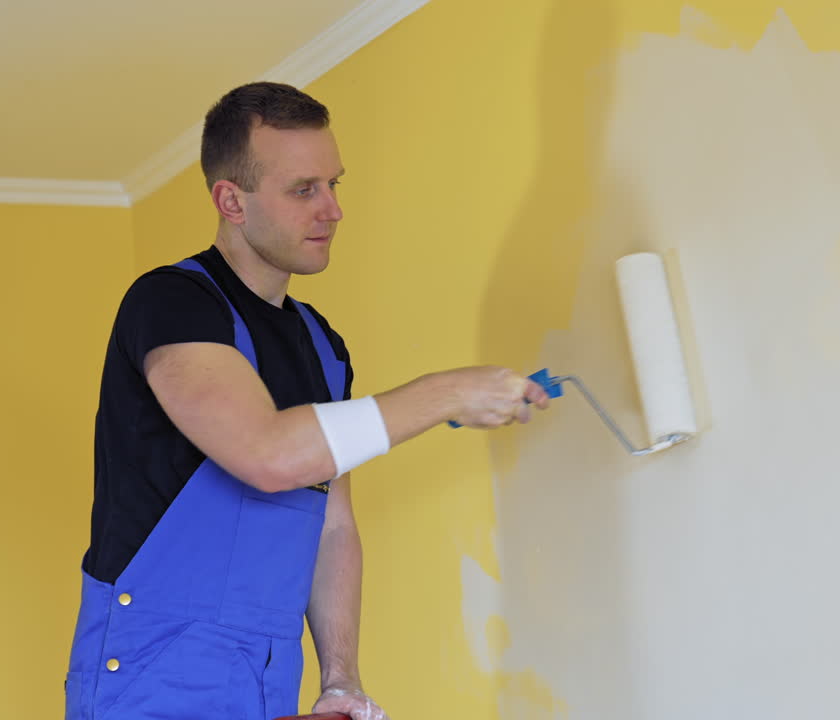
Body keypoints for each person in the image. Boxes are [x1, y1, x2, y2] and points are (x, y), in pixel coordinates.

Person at [63, 82, 550, 720]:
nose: (332, 210)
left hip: (265, 672)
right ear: (231, 201)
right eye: (303, 190)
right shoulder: (172, 303)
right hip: (153, 672)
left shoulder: (323, 346)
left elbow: (332, 524)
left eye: (333, 184)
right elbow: (266, 455)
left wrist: (342, 678)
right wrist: (445, 394)